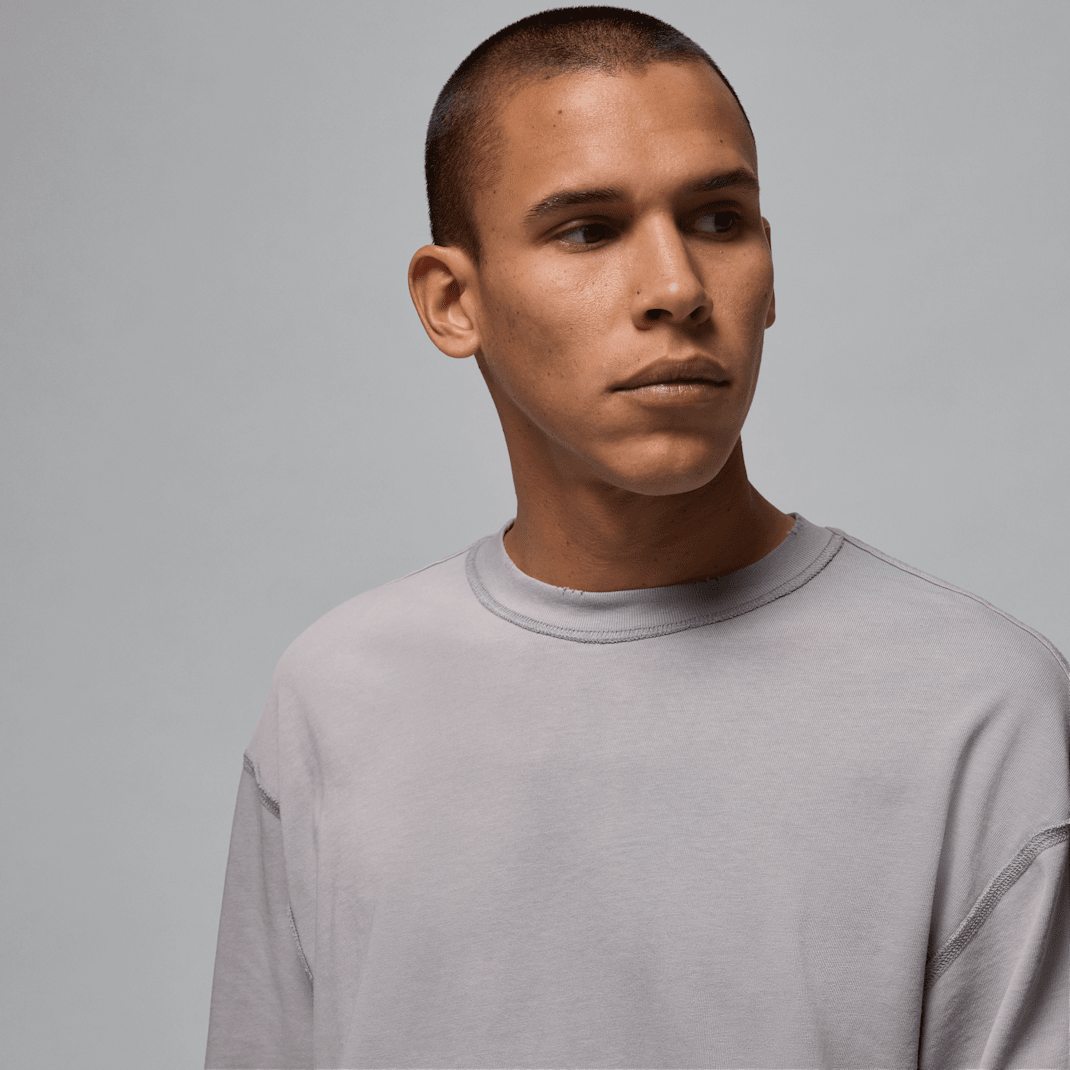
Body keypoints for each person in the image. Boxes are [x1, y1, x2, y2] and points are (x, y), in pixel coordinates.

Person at [205, 7, 1069, 1068]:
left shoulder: (980, 706)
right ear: (452, 301)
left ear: (769, 268)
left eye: (718, 220)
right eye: (587, 229)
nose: (676, 289)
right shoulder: (336, 696)